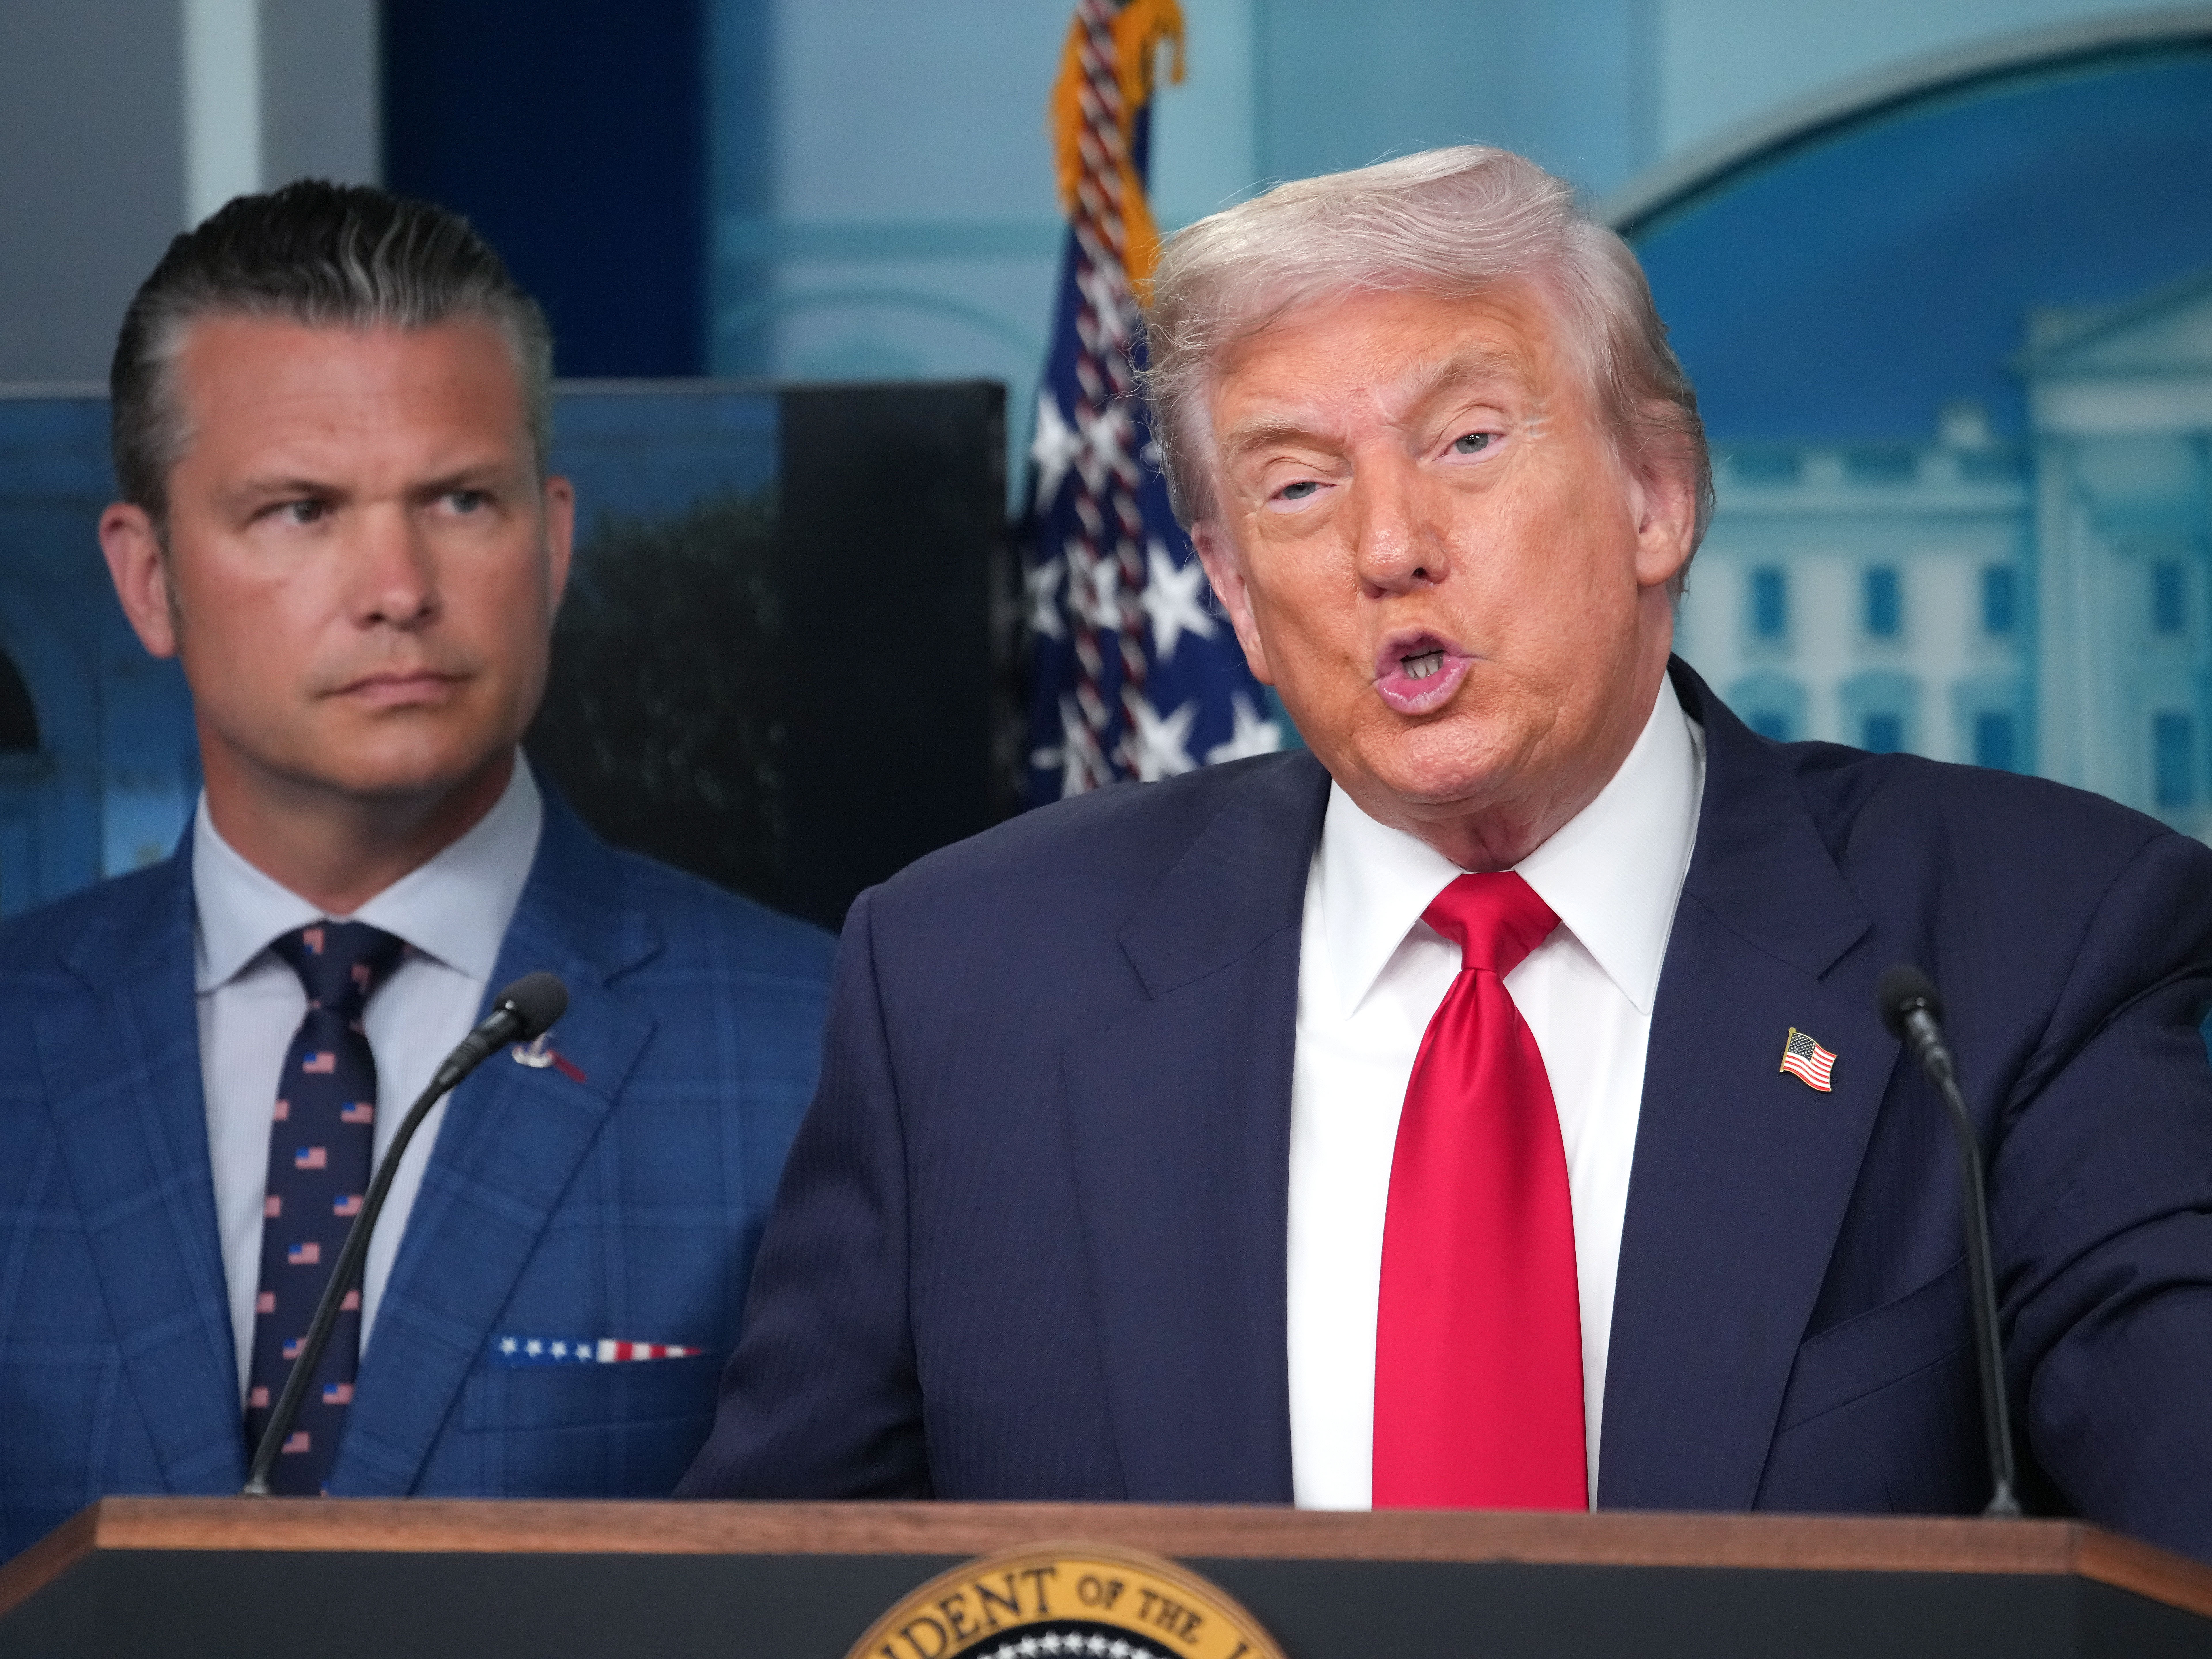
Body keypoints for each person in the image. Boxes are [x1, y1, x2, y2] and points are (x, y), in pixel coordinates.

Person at [680, 146, 2212, 1560]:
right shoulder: (970, 985)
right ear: (1231, 590)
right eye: (1297, 486)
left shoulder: (2027, 945)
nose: (1388, 546)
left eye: (1468, 441)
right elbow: (765, 1599)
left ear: (1658, 495)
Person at [0, 181, 833, 1562]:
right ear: (149, 579)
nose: (397, 586)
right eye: (301, 511)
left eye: (458, 499)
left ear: (552, 543)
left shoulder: (828, 1048)